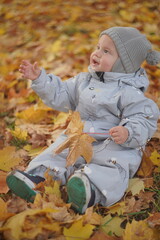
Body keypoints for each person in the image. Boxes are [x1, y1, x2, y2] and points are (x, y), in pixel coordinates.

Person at [7, 27, 160, 214]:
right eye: (98, 47)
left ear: (123, 64)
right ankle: (37, 178)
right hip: (81, 136)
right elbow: (61, 93)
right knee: (57, 152)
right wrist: (40, 79)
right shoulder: (84, 81)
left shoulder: (129, 92)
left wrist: (128, 131)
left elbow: (143, 117)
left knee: (112, 164)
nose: (96, 53)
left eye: (106, 51)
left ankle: (88, 188)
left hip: (113, 142)